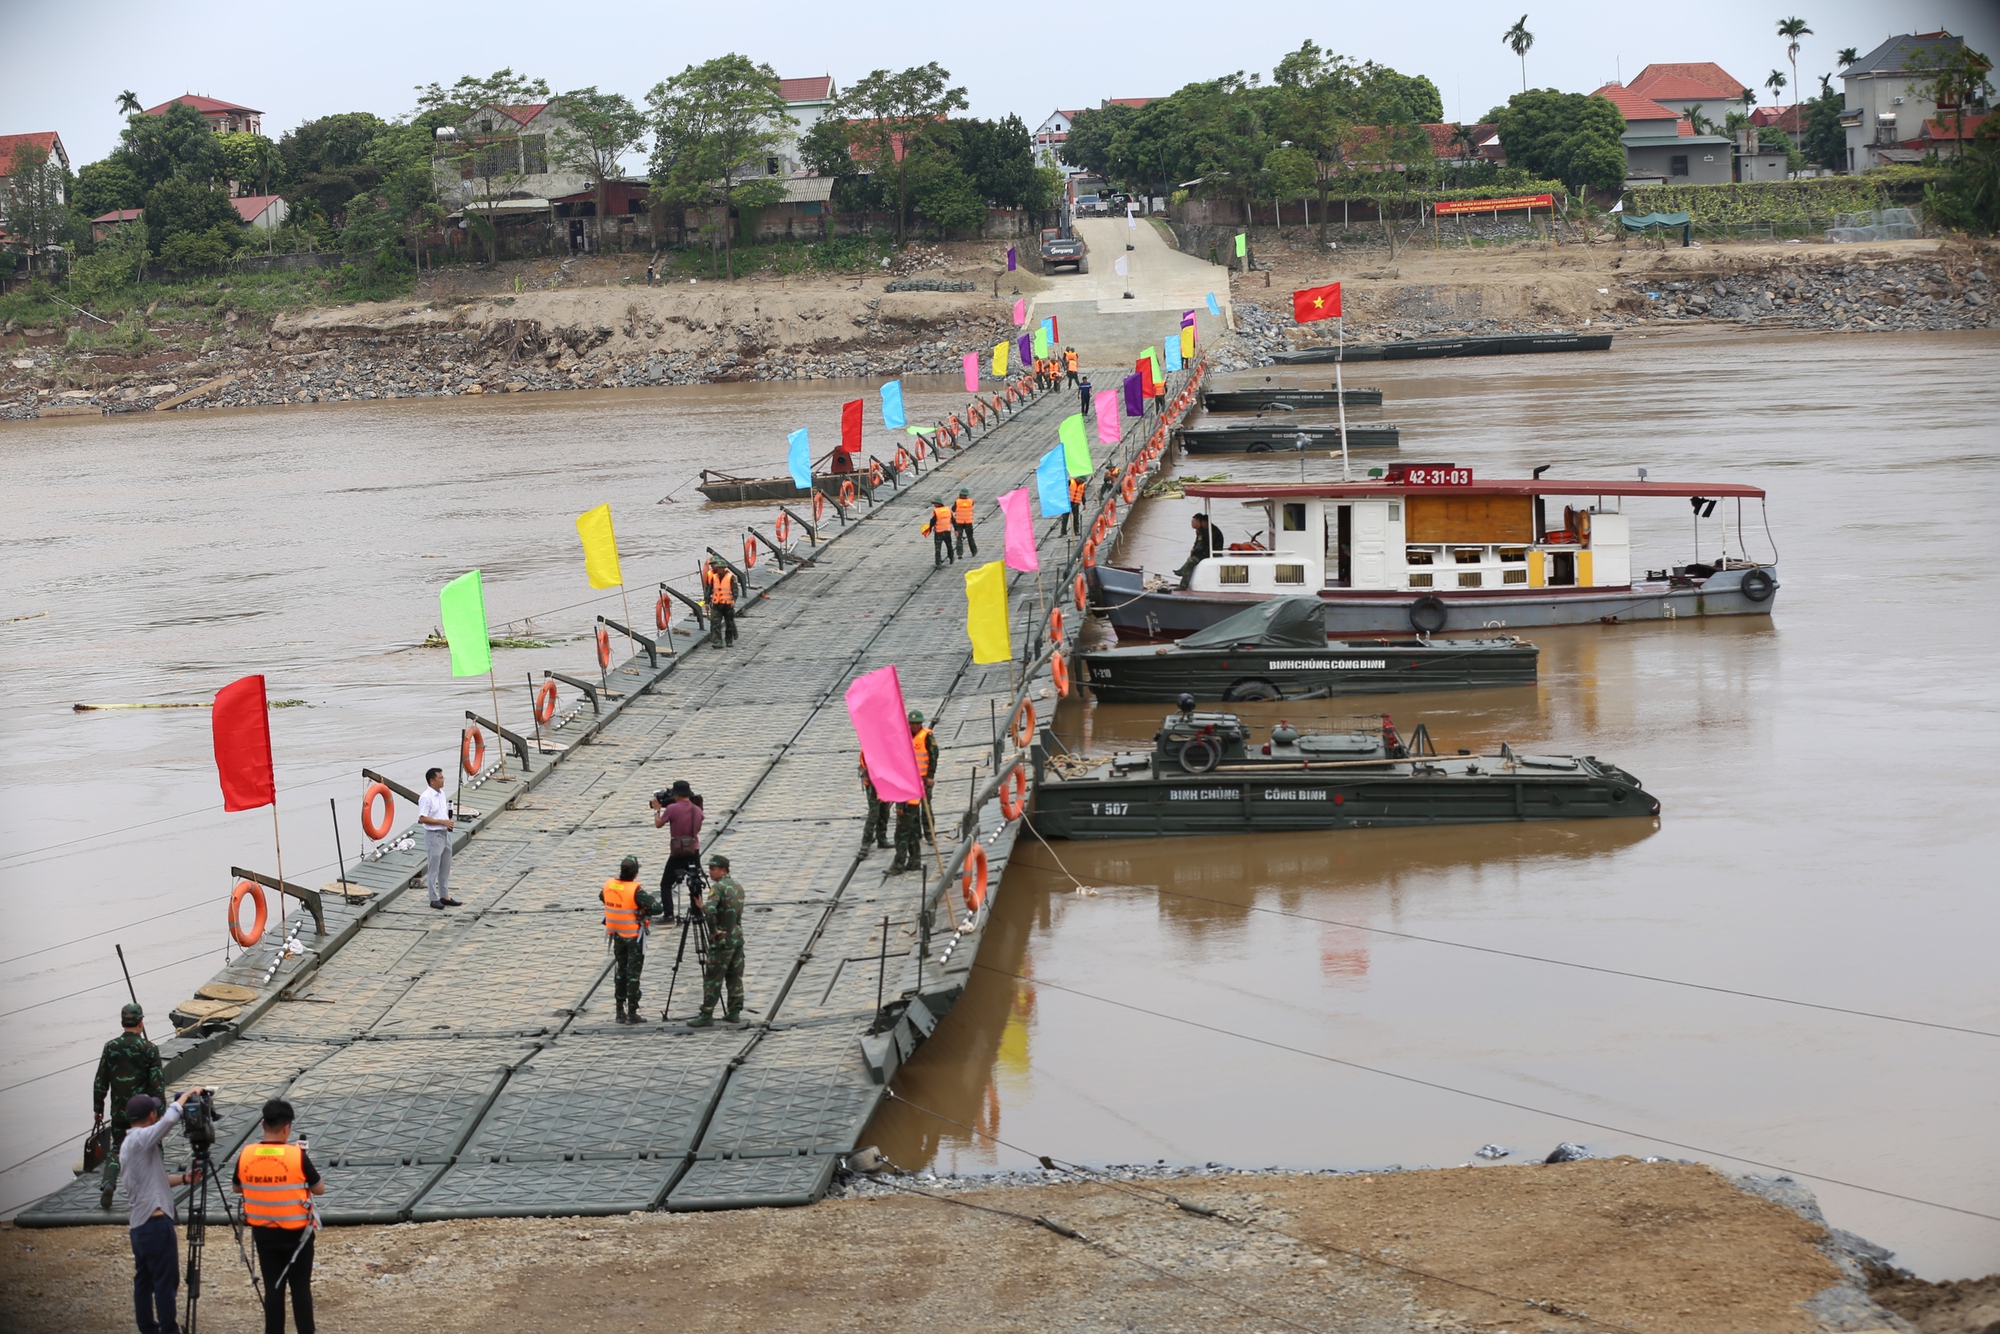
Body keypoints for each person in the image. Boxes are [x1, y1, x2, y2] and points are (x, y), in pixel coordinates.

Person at [235, 1098, 325, 1334]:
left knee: (273, 1289)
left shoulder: (246, 1153)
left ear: (263, 1124)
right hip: (298, 1235)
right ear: (287, 1128)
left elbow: (237, 1187)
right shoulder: (296, 1155)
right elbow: (319, 1188)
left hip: (263, 1233)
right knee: (300, 1290)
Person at [123, 1087, 205, 1334]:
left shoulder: (130, 1145)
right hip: (156, 1225)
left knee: (144, 1281)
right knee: (165, 1283)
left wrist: (183, 1178)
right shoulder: (140, 1138)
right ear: (150, 1115)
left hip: (140, 1228)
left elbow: (154, 1179)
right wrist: (186, 1097)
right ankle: (170, 1330)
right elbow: (170, 1119)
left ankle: (148, 1328)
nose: (158, 1115)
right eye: (155, 1111)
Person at [96, 1003, 165, 1210]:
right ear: (141, 1023)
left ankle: (109, 1183)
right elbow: (157, 1083)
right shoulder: (149, 1049)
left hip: (119, 1111)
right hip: (144, 1112)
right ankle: (156, 1187)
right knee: (153, 1147)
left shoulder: (110, 1047)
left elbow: (101, 1080)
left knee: (116, 1148)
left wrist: (98, 1108)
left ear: (122, 1023)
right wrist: (159, 1112)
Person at [600, 854, 664, 1024]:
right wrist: (643, 911)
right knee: (633, 974)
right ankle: (632, 1013)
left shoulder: (609, 885)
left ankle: (619, 1011)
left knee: (620, 971)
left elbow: (602, 897)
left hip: (616, 934)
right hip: (633, 937)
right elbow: (658, 908)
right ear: (635, 874)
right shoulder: (635, 890)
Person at [687, 854, 744, 1027]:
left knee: (713, 977)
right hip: (736, 937)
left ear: (723, 870)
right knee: (735, 977)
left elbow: (710, 910)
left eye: (713, 869)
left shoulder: (718, 888)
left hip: (722, 940)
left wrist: (713, 931)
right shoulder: (737, 886)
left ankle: (706, 1014)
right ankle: (734, 1012)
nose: (710, 872)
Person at [891, 711, 939, 874]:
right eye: (912, 724)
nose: (914, 726)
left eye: (917, 723)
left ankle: (929, 835)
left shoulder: (927, 737)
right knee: (910, 824)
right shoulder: (903, 738)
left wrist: (931, 776)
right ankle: (914, 859)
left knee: (919, 816)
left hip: (922, 780)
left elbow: (933, 756)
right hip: (910, 782)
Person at [651, 781, 703, 919]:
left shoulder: (672, 808)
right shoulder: (697, 809)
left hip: (678, 852)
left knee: (666, 883)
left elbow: (658, 824)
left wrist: (657, 810)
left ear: (677, 795)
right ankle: (697, 911)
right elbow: (698, 828)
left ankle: (668, 915)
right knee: (695, 881)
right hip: (694, 849)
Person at [417, 767, 459, 910]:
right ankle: (433, 898)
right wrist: (443, 822)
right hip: (433, 836)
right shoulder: (426, 797)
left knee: (445, 866)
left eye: (443, 778)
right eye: (440, 778)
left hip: (445, 833)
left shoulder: (441, 794)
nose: (443, 780)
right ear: (432, 780)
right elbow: (422, 818)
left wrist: (448, 822)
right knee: (433, 868)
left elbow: (442, 812)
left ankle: (444, 895)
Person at [1176, 512, 1225, 589]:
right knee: (1191, 558)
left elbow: (1199, 547)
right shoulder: (1206, 530)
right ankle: (1182, 571)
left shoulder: (1209, 531)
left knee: (1190, 562)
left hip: (1212, 553)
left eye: (1193, 522)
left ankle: (1183, 585)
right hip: (1207, 551)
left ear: (1205, 522)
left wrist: (1193, 552)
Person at [859, 757, 891, 854]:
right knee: (874, 813)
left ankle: (882, 839)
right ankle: (866, 841)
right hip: (872, 785)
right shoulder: (868, 749)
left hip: (885, 783)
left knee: (884, 811)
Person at [704, 558, 738, 647]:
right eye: (718, 568)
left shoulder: (731, 577)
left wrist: (734, 600)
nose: (719, 569)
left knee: (729, 623)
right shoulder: (714, 577)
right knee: (715, 623)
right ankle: (717, 641)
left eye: (721, 568)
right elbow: (709, 590)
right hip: (716, 605)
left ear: (724, 568)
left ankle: (729, 640)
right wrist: (706, 602)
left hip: (727, 605)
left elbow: (735, 590)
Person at [923, 498, 955, 568]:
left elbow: (933, 521)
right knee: (949, 545)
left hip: (939, 532)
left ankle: (938, 563)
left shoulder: (937, 511)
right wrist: (956, 529)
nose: (934, 505)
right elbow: (953, 519)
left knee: (938, 548)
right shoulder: (947, 509)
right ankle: (951, 557)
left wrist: (930, 528)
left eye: (935, 503)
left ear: (938, 504)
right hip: (947, 531)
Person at [952, 489, 978, 557]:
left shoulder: (957, 501)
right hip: (968, 522)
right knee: (970, 537)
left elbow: (953, 509)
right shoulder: (970, 501)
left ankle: (959, 553)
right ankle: (974, 551)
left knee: (959, 538)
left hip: (959, 523)